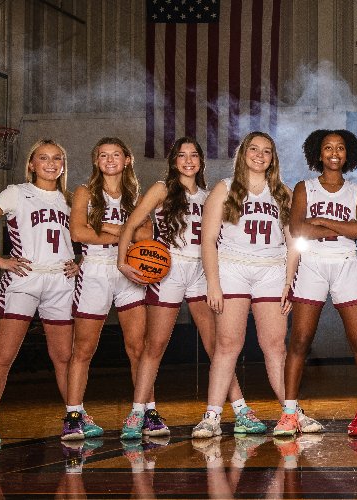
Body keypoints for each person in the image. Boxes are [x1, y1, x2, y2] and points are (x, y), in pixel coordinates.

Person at [117, 137, 246, 440]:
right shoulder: (161, 189)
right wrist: (122, 261)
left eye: (194, 155)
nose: (188, 160)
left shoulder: (210, 194)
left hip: (201, 271)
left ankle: (240, 409)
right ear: (174, 160)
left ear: (201, 160)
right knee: (154, 346)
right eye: (182, 155)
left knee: (218, 345)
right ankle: (138, 412)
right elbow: (131, 224)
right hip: (168, 270)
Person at [0, 139, 81, 446]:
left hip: (60, 282)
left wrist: (79, 262)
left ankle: (75, 416)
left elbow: (86, 237)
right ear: (32, 164)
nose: (51, 163)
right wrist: (0, 260)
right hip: (24, 279)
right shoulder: (17, 192)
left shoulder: (71, 199)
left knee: (64, 357)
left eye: (57, 158)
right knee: (4, 355)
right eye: (43, 158)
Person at [191, 132, 295, 439]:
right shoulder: (225, 188)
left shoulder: (282, 192)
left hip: (272, 270)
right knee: (228, 344)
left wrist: (289, 282)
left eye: (266, 151)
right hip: (233, 267)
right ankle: (211, 417)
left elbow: (293, 243)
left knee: (275, 346)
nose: (260, 155)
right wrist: (213, 282)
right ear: (243, 153)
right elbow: (207, 240)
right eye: (254, 149)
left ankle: (291, 412)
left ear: (273, 158)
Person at [274, 129, 357, 436]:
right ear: (318, 153)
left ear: (348, 154)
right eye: (328, 147)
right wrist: (343, 227)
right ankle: (289, 412)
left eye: (340, 148)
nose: (334, 152)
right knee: (300, 340)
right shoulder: (306, 188)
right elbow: (298, 227)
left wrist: (324, 222)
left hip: (345, 264)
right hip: (313, 265)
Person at [67, 137, 148, 440]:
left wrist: (104, 229)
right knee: (83, 349)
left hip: (130, 271)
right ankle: (74, 415)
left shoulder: (135, 196)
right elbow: (78, 232)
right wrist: (126, 233)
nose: (110, 159)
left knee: (138, 348)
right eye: (103, 155)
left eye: (116, 154)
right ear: (96, 161)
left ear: (127, 160)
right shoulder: (84, 192)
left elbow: (147, 235)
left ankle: (144, 411)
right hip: (96, 271)